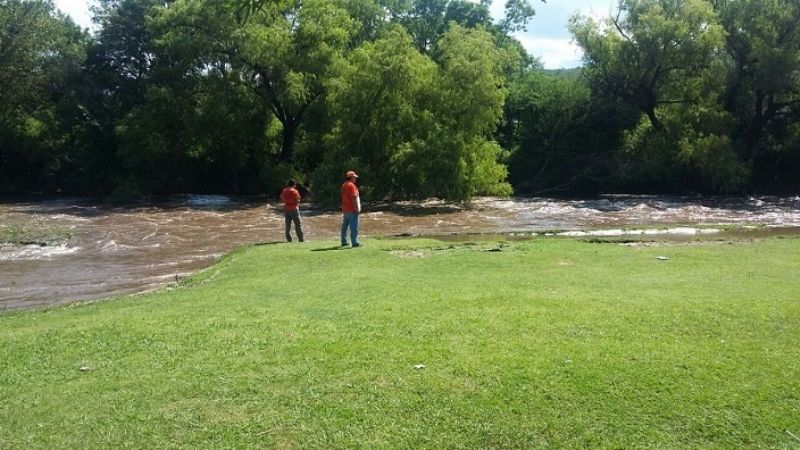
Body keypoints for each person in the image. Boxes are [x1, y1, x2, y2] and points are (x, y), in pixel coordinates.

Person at [340, 170, 361, 247]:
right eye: (354, 177)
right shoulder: (351, 185)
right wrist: (356, 208)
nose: (355, 179)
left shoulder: (343, 185)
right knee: (354, 226)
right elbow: (354, 197)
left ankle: (344, 241)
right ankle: (354, 242)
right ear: (351, 177)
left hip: (345, 209)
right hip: (351, 209)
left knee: (344, 226)